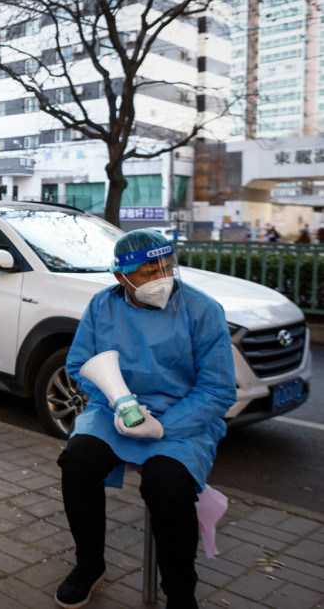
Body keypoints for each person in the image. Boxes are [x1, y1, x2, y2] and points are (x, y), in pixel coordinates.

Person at [55, 229, 235, 608]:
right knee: (78, 461)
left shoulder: (202, 310)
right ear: (120, 277)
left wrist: (166, 426)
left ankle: (180, 590)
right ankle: (89, 565)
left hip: (183, 415)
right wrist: (117, 402)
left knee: (166, 483)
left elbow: (217, 390)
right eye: (148, 272)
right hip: (114, 408)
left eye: (166, 267)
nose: (161, 279)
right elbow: (79, 362)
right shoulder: (102, 305)